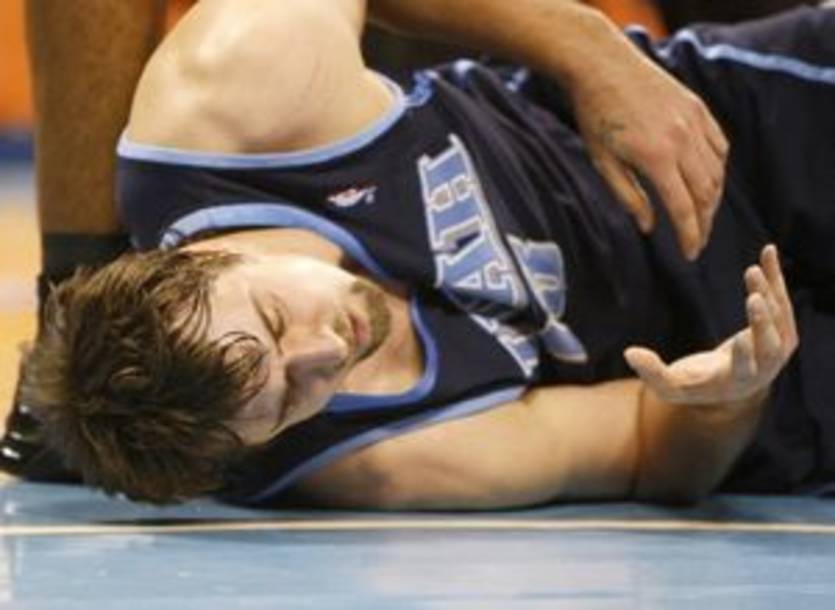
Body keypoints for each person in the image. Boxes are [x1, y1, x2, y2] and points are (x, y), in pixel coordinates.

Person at [21, 0, 835, 509]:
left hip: (704, 132)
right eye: (288, 401)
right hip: (740, 359)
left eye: (272, 322)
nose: (323, 352)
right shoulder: (375, 460)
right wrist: (728, 398)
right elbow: (642, 447)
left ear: (194, 257)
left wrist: (590, 54)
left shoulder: (232, 97)